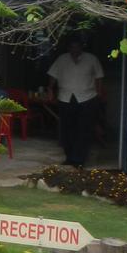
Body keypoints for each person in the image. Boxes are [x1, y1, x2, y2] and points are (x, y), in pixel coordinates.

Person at [45, 36, 104, 168]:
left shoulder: (91, 59)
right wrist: (50, 89)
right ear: (68, 48)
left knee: (83, 129)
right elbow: (53, 75)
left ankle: (80, 159)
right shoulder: (62, 59)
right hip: (65, 98)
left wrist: (99, 92)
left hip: (87, 98)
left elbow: (99, 76)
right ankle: (70, 157)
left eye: (77, 46)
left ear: (81, 47)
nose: (74, 49)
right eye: (72, 47)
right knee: (67, 130)